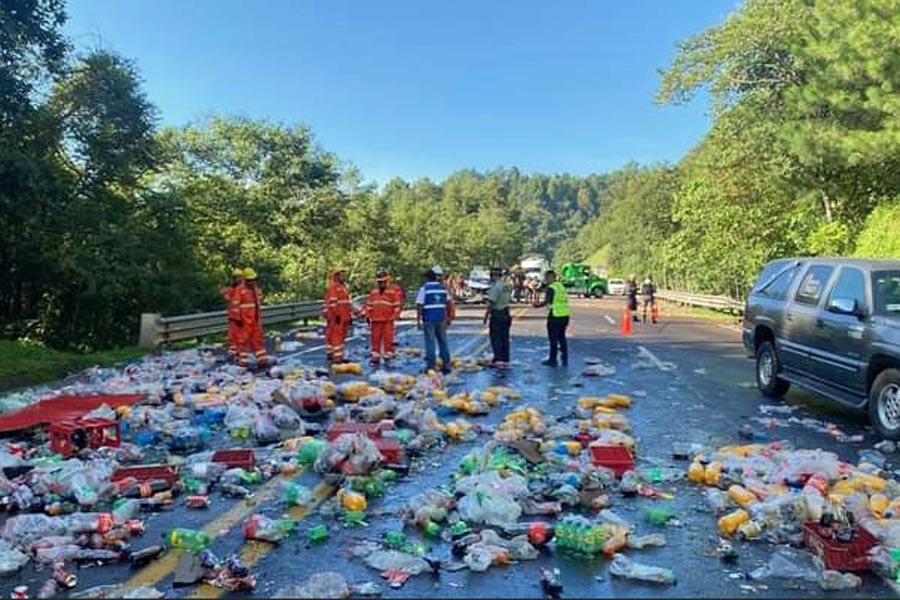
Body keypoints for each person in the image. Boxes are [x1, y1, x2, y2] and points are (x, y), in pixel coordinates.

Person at [416, 267, 452, 374]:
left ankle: (431, 366)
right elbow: (449, 302)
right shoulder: (442, 288)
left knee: (430, 342)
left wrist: (418, 320)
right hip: (441, 318)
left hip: (429, 318)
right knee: (443, 341)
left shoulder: (424, 289)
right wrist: (448, 316)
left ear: (427, 278)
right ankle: (447, 364)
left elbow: (419, 304)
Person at [533, 270, 570, 367]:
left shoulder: (551, 288)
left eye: (546, 278)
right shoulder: (560, 286)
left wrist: (537, 305)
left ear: (550, 277)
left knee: (553, 339)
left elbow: (547, 301)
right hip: (565, 315)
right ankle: (564, 356)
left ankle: (552, 360)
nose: (546, 280)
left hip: (555, 315)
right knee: (562, 337)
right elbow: (542, 289)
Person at [364, 271, 399, 365]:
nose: (381, 284)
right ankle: (375, 357)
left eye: (383, 282)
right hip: (376, 320)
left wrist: (394, 316)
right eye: (379, 282)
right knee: (375, 339)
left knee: (388, 338)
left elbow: (396, 306)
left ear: (387, 281)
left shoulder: (392, 292)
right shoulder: (374, 292)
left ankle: (388, 356)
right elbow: (369, 305)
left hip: (388, 320)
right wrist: (367, 315)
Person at [237, 267, 268, 368]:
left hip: (254, 319)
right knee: (243, 341)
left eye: (253, 280)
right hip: (244, 320)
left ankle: (262, 359)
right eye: (250, 280)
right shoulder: (240, 290)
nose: (252, 282)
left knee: (258, 339)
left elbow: (258, 301)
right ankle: (244, 361)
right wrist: (238, 319)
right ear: (245, 280)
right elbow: (235, 306)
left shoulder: (255, 289)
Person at [483, 266, 512, 365]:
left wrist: (486, 317)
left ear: (494, 276)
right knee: (505, 337)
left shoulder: (495, 287)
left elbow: (491, 303)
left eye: (491, 276)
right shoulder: (507, 286)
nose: (490, 278)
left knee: (496, 337)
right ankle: (505, 357)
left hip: (497, 314)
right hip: (506, 312)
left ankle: (498, 358)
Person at [324, 268, 352, 363]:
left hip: (344, 316)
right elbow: (333, 303)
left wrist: (349, 316)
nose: (343, 277)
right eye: (341, 275)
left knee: (341, 336)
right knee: (337, 336)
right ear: (336, 276)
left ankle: (334, 354)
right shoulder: (334, 287)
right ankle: (337, 357)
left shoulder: (344, 287)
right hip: (337, 316)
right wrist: (336, 315)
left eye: (344, 275)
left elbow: (347, 303)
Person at [221, 268, 244, 363]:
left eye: (238, 277)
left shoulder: (243, 289)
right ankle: (233, 353)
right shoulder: (233, 289)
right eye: (235, 277)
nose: (236, 279)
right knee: (232, 337)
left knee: (240, 337)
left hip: (240, 318)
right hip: (232, 318)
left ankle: (240, 355)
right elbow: (227, 299)